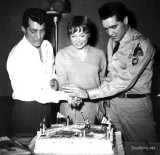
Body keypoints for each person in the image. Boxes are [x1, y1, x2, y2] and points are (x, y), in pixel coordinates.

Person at [63, 2, 157, 142]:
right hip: (112, 103)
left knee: (143, 149)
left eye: (114, 27)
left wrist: (89, 93)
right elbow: (111, 74)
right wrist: (102, 99)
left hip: (135, 106)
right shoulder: (112, 42)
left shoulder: (142, 45)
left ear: (125, 21)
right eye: (106, 29)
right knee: (115, 147)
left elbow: (124, 81)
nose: (110, 33)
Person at [6, 8, 70, 136]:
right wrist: (68, 96)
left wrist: (54, 80)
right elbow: (38, 93)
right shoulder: (17, 55)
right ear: (23, 29)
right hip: (27, 113)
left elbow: (51, 73)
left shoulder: (47, 46)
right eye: (33, 31)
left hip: (48, 110)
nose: (39, 37)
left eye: (42, 31)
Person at [55, 15, 107, 124]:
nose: (77, 40)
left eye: (82, 35)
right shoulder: (62, 55)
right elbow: (62, 82)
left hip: (93, 107)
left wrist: (102, 102)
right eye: (73, 36)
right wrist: (73, 98)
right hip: (69, 106)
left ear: (88, 34)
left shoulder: (100, 55)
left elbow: (103, 82)